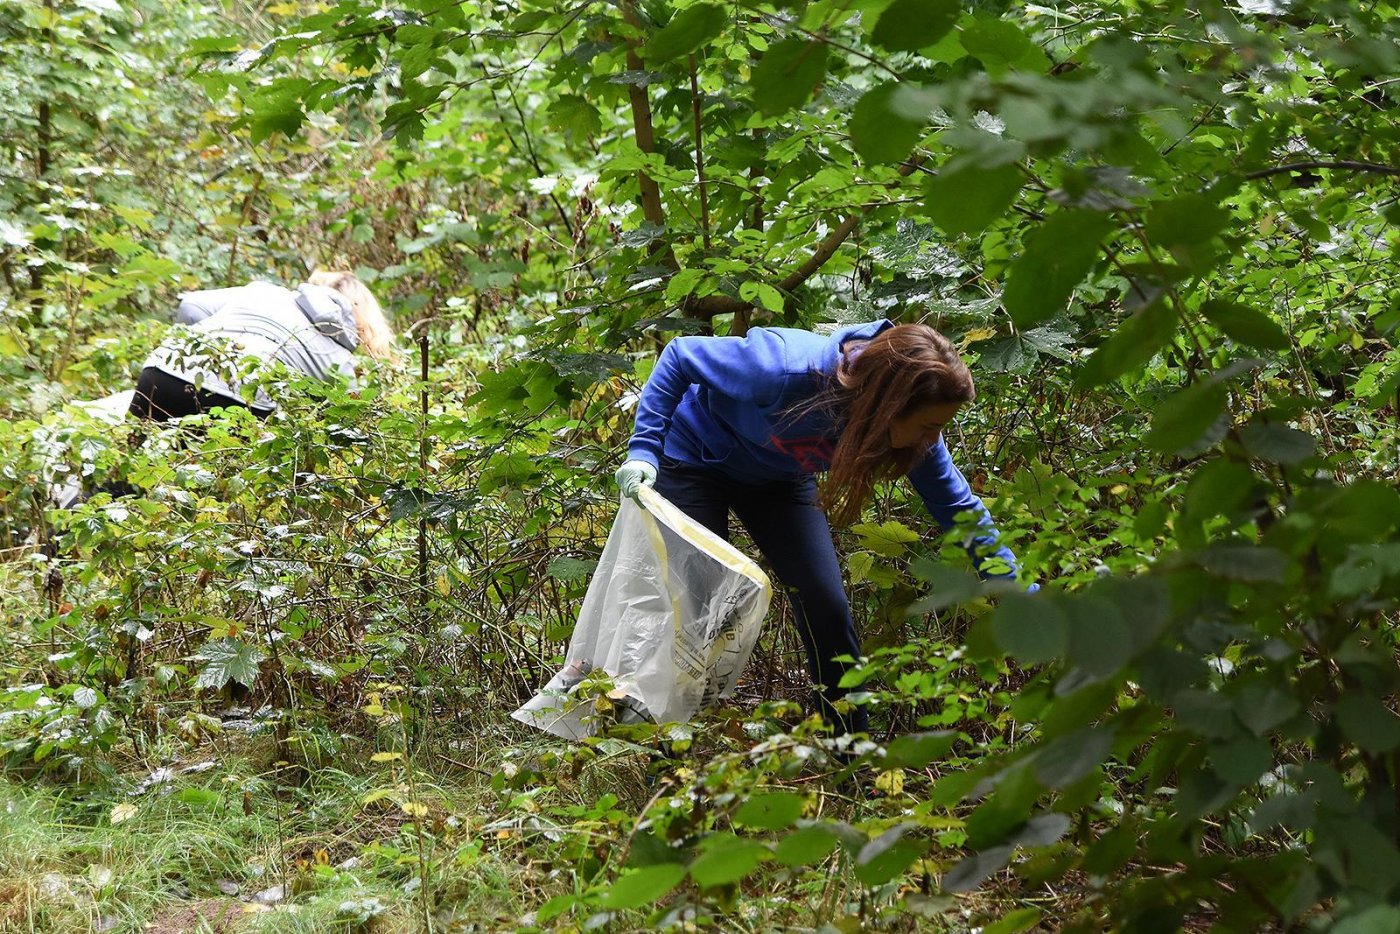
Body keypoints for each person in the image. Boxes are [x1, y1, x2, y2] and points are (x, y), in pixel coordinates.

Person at [613, 318, 1032, 736]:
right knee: (696, 607)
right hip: (692, 460)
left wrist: (1014, 587)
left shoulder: (916, 435)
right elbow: (681, 355)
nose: (933, 437)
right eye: (928, 425)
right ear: (890, 403)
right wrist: (644, 449)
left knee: (826, 607)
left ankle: (848, 750)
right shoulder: (781, 369)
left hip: (779, 481)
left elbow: (956, 504)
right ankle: (653, 737)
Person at [128, 270, 396, 421]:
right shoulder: (338, 356)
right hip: (235, 402)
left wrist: (200, 358)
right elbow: (348, 422)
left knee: (128, 476)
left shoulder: (266, 292)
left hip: (160, 372)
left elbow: (191, 305)